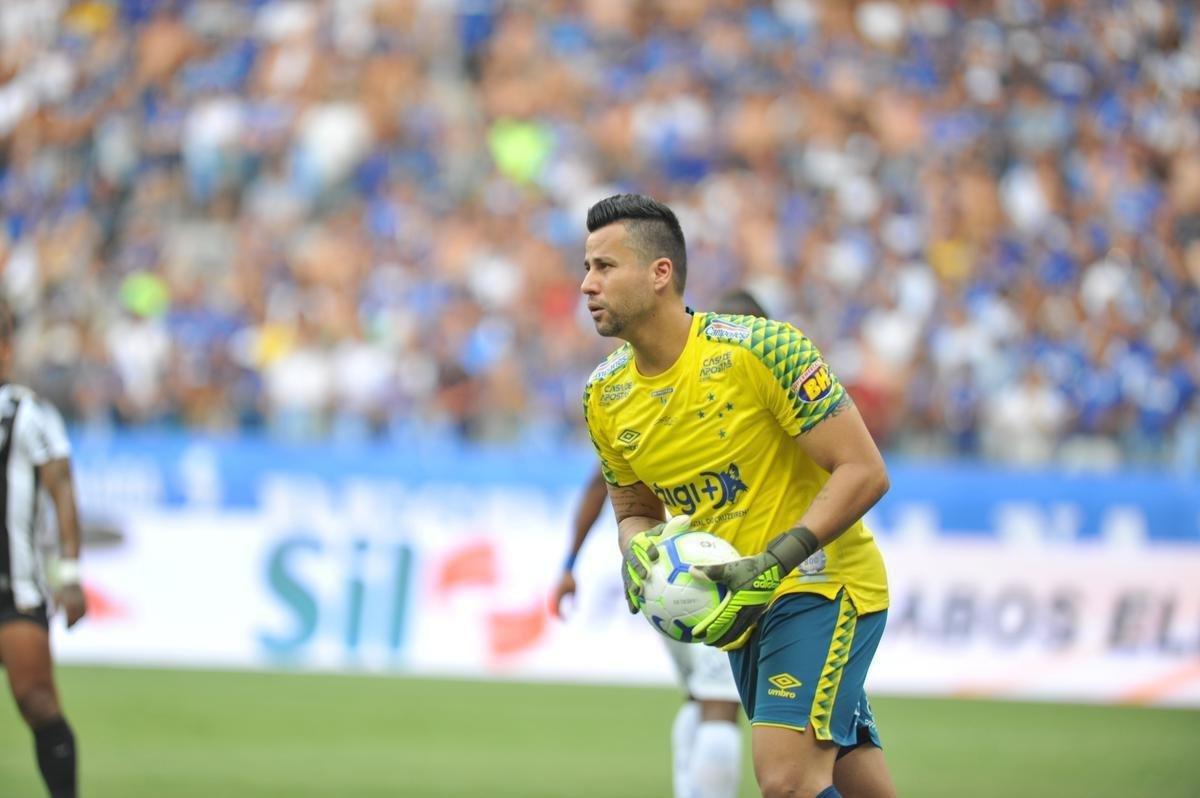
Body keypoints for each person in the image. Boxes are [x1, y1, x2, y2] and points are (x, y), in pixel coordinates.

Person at [580, 194, 896, 798]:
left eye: (604, 267)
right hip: (734, 609)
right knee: (855, 781)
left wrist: (773, 561)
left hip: (819, 584)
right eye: (586, 267)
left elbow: (864, 470)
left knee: (785, 780)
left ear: (660, 273)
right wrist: (637, 551)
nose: (587, 284)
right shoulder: (604, 395)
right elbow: (633, 509)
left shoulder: (763, 350)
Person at [552, 288, 769, 798]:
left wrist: (570, 562)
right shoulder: (737, 406)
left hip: (662, 572)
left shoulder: (653, 403)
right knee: (719, 709)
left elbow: (600, 484)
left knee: (699, 701)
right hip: (714, 576)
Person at [0, 302, 86, 798]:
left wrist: (69, 572)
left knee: (35, 699)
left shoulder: (28, 413)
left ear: (6, 351)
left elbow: (62, 490)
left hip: (15, 588)